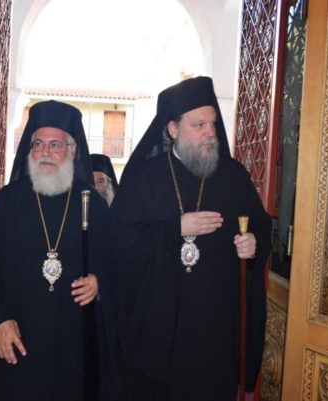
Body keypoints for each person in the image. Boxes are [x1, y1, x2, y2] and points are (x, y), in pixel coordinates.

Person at [111, 77, 272, 401]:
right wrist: (176, 228)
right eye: (199, 125)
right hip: (159, 336)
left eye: (212, 124)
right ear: (173, 129)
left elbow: (261, 228)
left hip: (216, 334)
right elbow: (118, 242)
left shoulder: (233, 176)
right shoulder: (143, 178)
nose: (210, 132)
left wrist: (253, 245)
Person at [0, 100, 113, 401]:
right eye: (38, 144)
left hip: (73, 346)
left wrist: (100, 281)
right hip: (18, 341)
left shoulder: (92, 203)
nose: (45, 152)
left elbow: (117, 261)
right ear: (30, 149)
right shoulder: (8, 202)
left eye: (55, 145)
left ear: (72, 150)